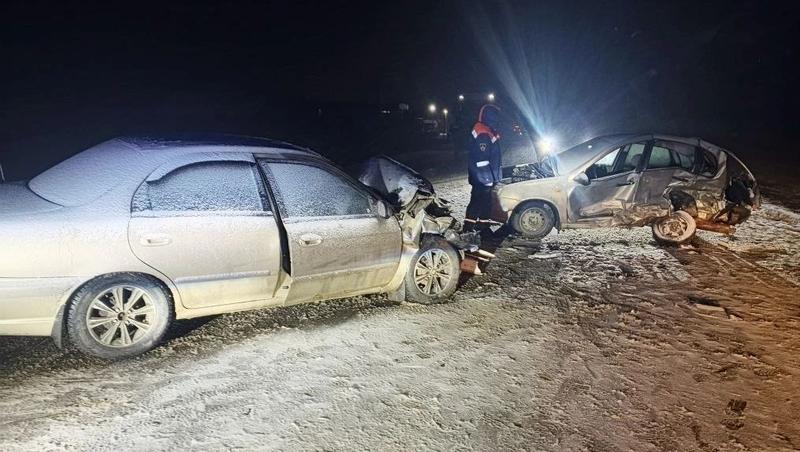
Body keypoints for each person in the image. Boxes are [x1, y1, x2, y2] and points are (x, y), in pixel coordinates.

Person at [463, 104, 502, 232]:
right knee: (477, 202)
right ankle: (468, 229)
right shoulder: (483, 132)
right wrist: (487, 178)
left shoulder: (485, 130)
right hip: (482, 177)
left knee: (485, 203)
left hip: (483, 176)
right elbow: (482, 159)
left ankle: (483, 228)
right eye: (495, 116)